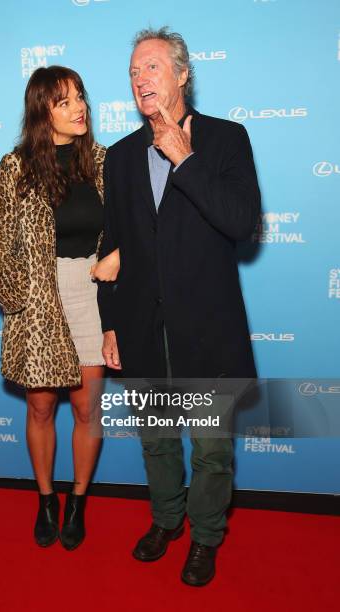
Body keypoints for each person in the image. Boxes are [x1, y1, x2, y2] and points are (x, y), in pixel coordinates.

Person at [96, 27, 261, 586]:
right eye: (134, 72)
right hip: (143, 327)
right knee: (158, 439)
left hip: (208, 328)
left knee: (212, 449)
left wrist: (184, 160)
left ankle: (206, 536)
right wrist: (110, 322)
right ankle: (166, 520)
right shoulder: (119, 157)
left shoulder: (226, 140)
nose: (141, 79)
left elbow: (242, 225)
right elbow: (110, 247)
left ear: (183, 74)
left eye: (153, 68)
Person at [0, 65, 114, 551]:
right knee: (41, 407)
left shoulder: (102, 163)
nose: (79, 106)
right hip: (40, 298)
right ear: (43, 110)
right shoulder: (13, 168)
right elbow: (0, 242)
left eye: (80, 95)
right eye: (64, 101)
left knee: (87, 409)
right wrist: (20, 298)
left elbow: (124, 228)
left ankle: (78, 500)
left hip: (92, 292)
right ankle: (46, 499)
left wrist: (115, 260)